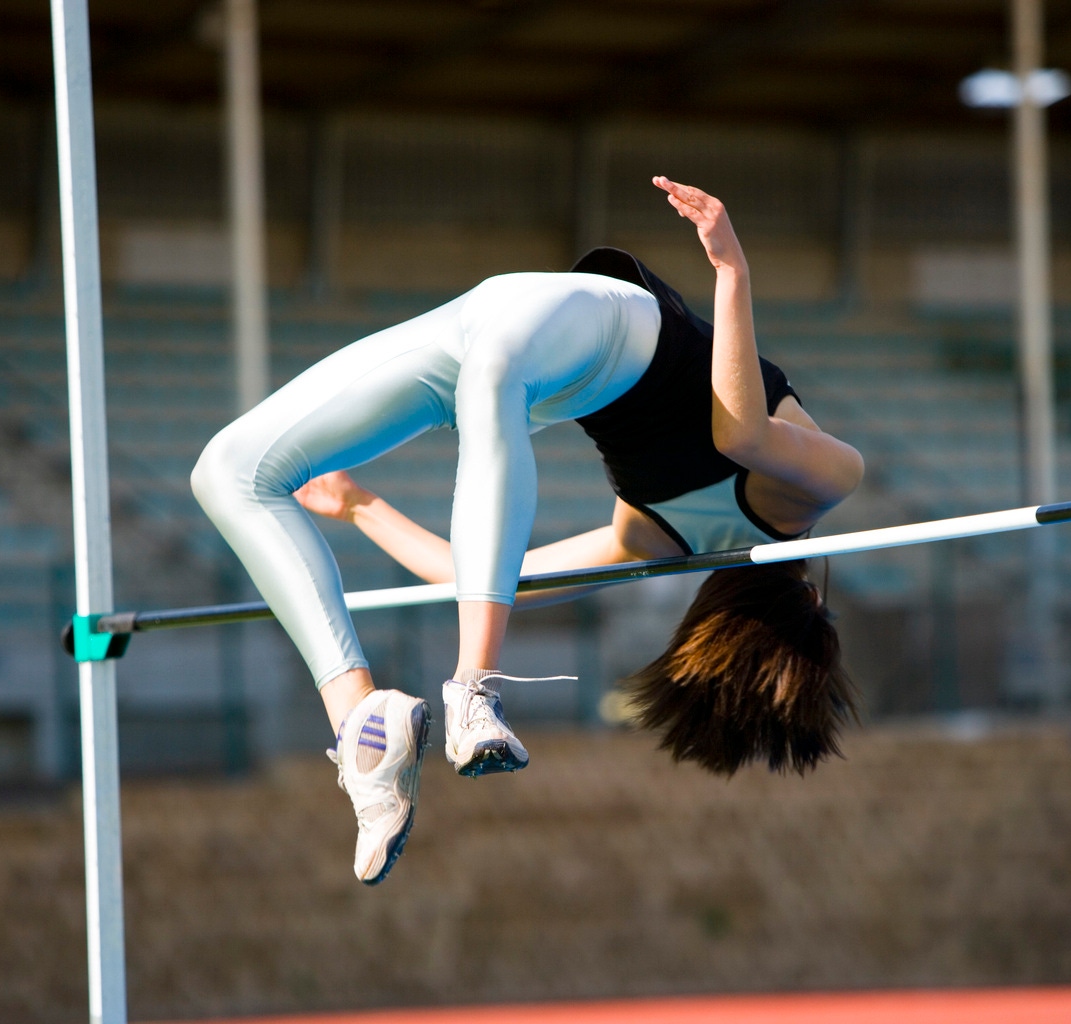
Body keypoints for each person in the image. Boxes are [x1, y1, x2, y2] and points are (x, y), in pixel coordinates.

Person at [192, 177, 865, 884]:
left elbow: (738, 436)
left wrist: (732, 270)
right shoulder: (699, 526)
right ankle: (388, 710)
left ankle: (434, 700)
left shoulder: (749, 512)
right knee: (228, 471)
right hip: (515, 338)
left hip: (544, 344)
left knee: (489, 374)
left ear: (806, 598)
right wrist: (362, 508)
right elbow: (491, 572)